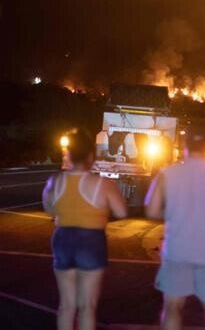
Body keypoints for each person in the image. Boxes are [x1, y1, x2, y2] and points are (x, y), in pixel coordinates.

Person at [145, 125, 205, 330]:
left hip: (177, 251)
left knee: (172, 307)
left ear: (184, 145)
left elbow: (152, 211)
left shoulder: (167, 173)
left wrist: (173, 213)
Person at [42, 130, 127, 330]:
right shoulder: (103, 184)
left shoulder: (55, 181)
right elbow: (121, 212)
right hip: (91, 241)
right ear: (91, 156)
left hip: (63, 239)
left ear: (68, 154)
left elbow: (49, 208)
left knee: (66, 306)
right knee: (87, 306)